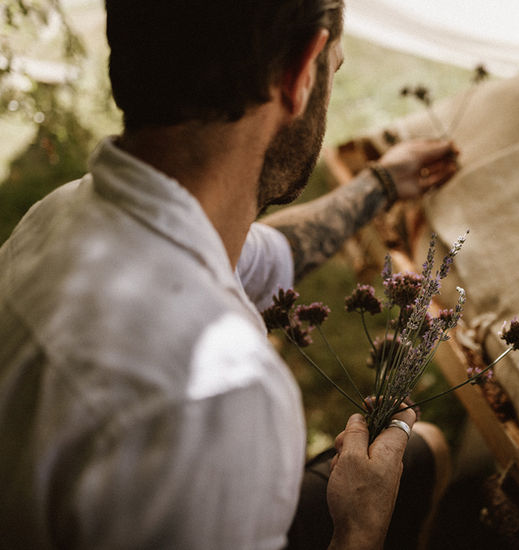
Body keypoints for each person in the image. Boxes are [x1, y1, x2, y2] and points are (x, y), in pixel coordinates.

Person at [0, 1, 458, 548]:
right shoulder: (221, 400)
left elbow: (268, 254)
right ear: (299, 74)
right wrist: (359, 527)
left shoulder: (65, 212)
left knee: (427, 450)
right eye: (334, 67)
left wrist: (380, 185)